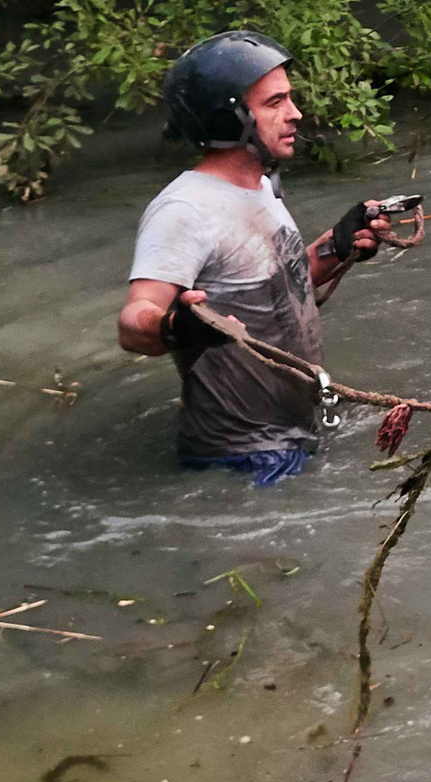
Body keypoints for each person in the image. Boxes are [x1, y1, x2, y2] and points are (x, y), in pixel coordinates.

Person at [116, 32, 396, 484]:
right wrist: (175, 327)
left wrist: (337, 246)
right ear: (229, 120)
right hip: (242, 460)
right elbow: (133, 323)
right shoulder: (184, 210)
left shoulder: (261, 186)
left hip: (295, 431)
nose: (295, 114)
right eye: (275, 103)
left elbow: (280, 284)